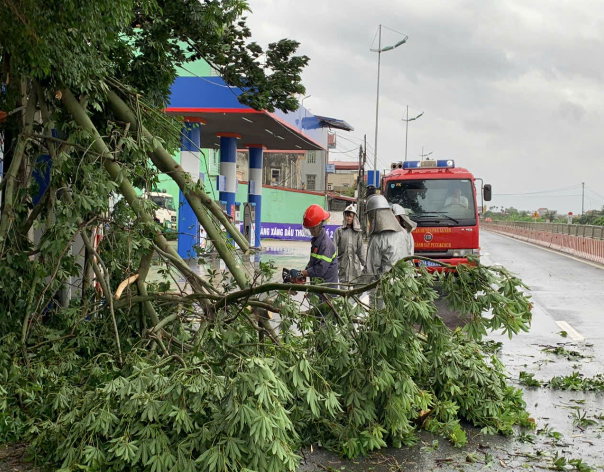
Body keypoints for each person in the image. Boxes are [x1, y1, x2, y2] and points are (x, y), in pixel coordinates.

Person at [363, 195, 412, 307]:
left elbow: (371, 270)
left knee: (383, 319)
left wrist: (357, 288)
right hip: (403, 286)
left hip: (384, 290)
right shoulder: (404, 233)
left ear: (374, 215)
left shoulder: (377, 239)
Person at [290, 204, 338, 287]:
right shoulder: (316, 241)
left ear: (320, 225)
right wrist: (303, 274)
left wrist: (302, 273)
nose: (311, 231)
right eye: (309, 228)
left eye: (313, 228)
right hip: (318, 286)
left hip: (326, 290)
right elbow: (313, 262)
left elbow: (320, 270)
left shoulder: (325, 245)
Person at [334, 204, 365, 285]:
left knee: (356, 289)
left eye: (351, 216)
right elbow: (333, 249)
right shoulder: (339, 231)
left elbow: (361, 251)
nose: (349, 218)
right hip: (343, 266)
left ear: (354, 218)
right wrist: (331, 264)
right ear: (344, 216)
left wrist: (366, 265)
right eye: (347, 216)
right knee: (343, 289)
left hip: (355, 267)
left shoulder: (358, 233)